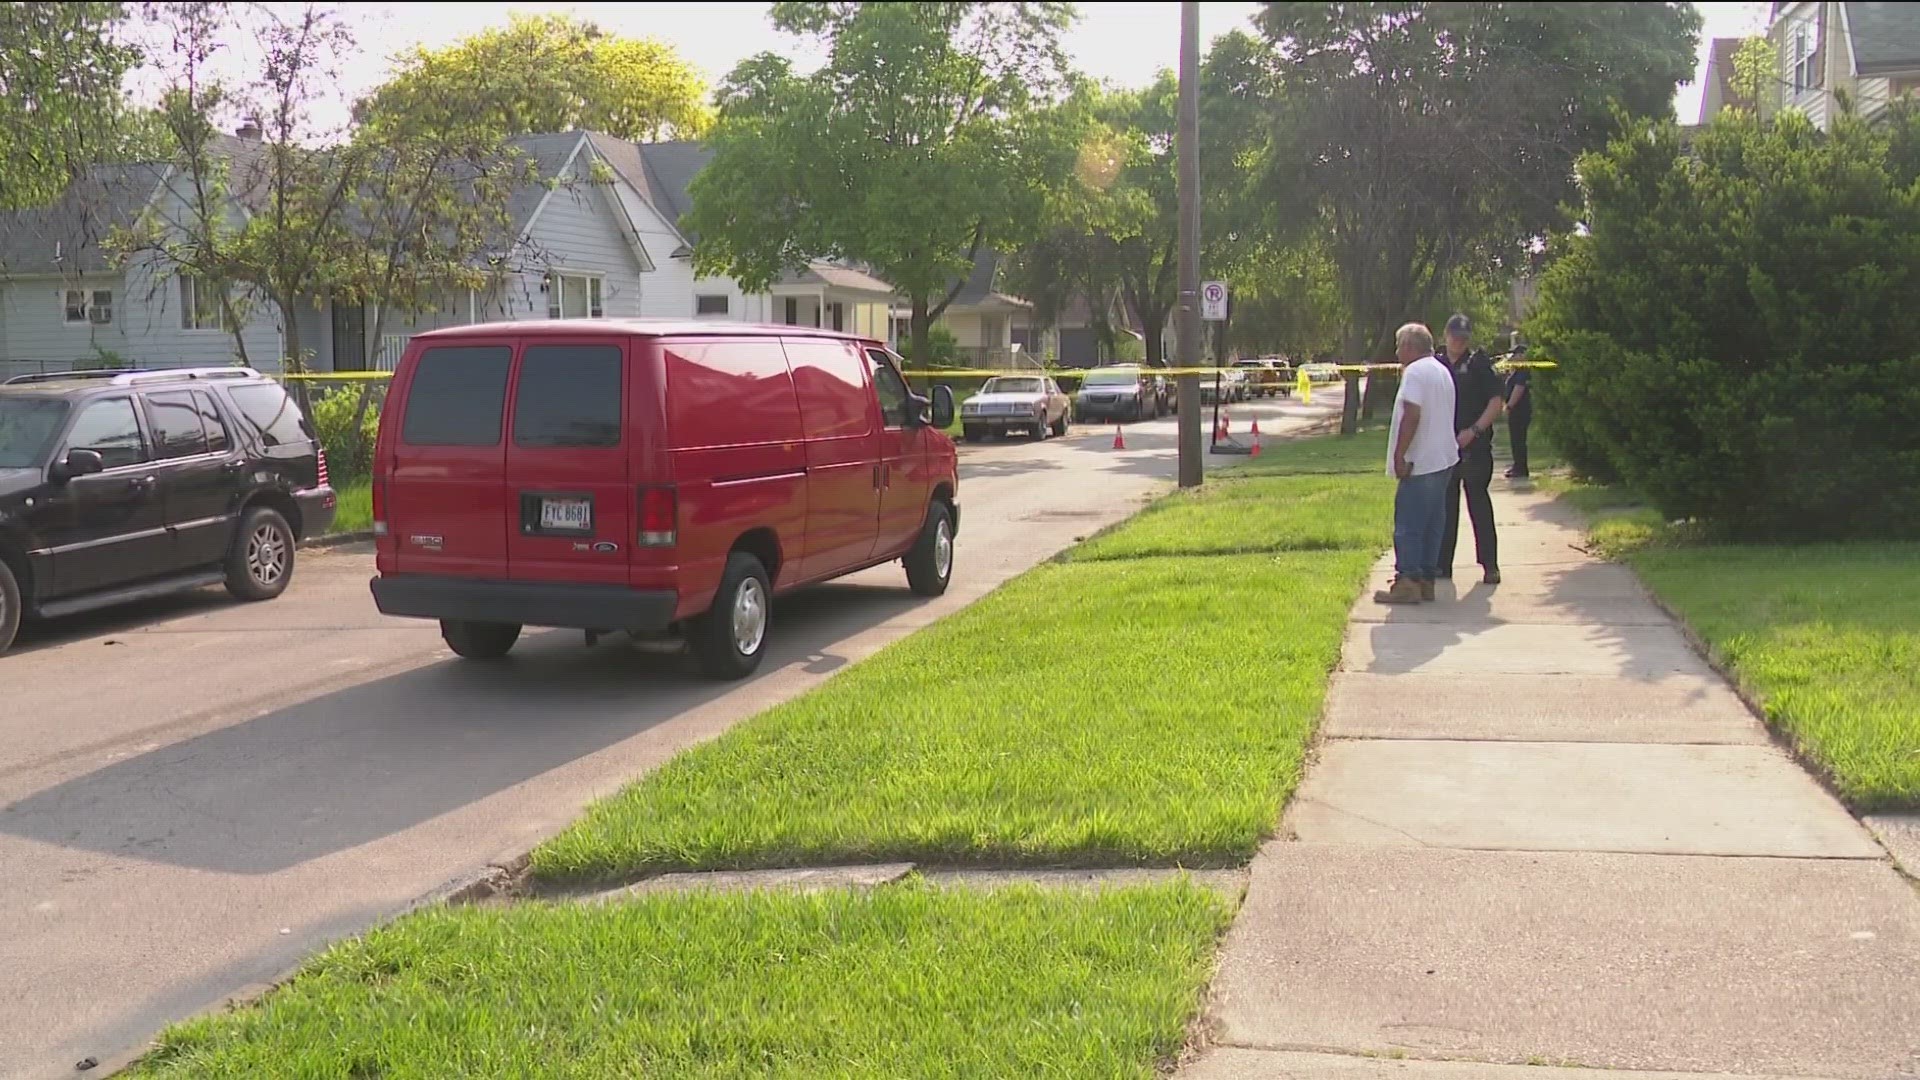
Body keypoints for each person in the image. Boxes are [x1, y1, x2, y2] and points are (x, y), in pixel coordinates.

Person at [1374, 322, 1458, 605]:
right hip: (1444, 458)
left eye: (1399, 346)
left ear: (1410, 347)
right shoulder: (1441, 370)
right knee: (1433, 522)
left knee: (1409, 522)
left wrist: (1400, 455)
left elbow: (1412, 414)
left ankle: (1407, 580)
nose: (1397, 352)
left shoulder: (1415, 372)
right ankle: (1425, 580)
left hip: (1420, 461)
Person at [1438, 313, 1502, 585]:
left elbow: (1496, 401)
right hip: (1445, 446)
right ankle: (1441, 565)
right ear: (1445, 335)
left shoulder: (1478, 363)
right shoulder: (1437, 363)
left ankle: (1489, 565)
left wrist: (1474, 431)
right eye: (1454, 336)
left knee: (1478, 504)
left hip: (1475, 445)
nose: (1458, 342)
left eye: (1462, 337)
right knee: (1445, 507)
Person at [1504, 346, 1532, 479]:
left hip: (1520, 410)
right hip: (1517, 410)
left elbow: (1519, 389)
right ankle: (1517, 465)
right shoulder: (1517, 370)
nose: (1513, 357)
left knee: (1518, 439)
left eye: (1516, 355)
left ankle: (1521, 468)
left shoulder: (1523, 371)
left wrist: (1509, 406)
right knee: (1516, 440)